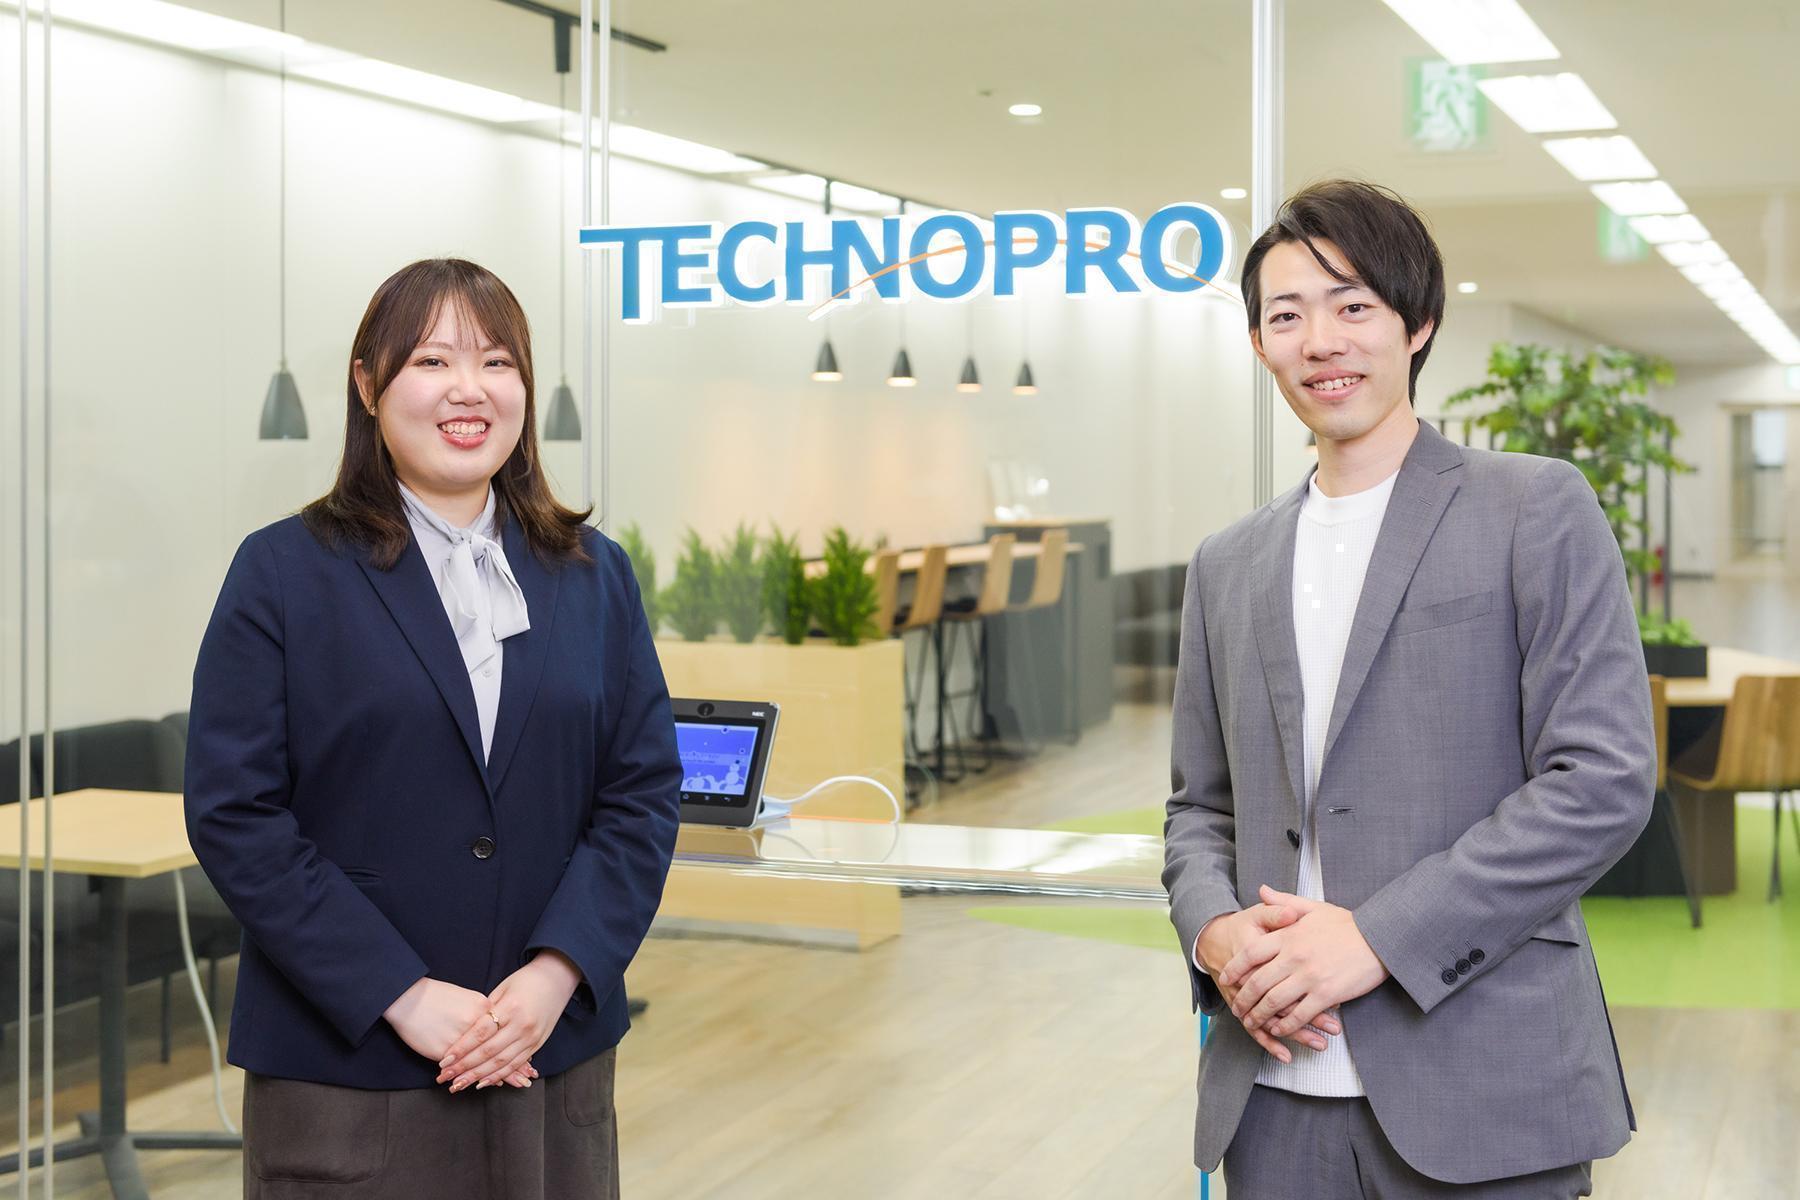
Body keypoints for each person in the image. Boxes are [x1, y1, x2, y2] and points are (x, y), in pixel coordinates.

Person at [1162, 180, 1654, 1197]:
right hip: (1272, 1096)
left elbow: (1601, 780)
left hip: (1482, 1089)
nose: (1320, 342)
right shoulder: (1226, 563)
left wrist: (1376, 940)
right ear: (1259, 345)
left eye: (1353, 306)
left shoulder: (1533, 507)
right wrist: (1215, 935)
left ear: (1417, 322)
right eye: (1286, 316)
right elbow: (1198, 808)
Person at [186, 257, 681, 1198]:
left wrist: (557, 973)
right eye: (432, 361)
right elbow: (235, 815)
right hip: (351, 1060)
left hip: (545, 1048)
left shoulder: (594, 574)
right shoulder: (284, 572)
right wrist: (400, 993)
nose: (469, 389)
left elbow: (641, 795)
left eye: (497, 362)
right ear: (368, 384)